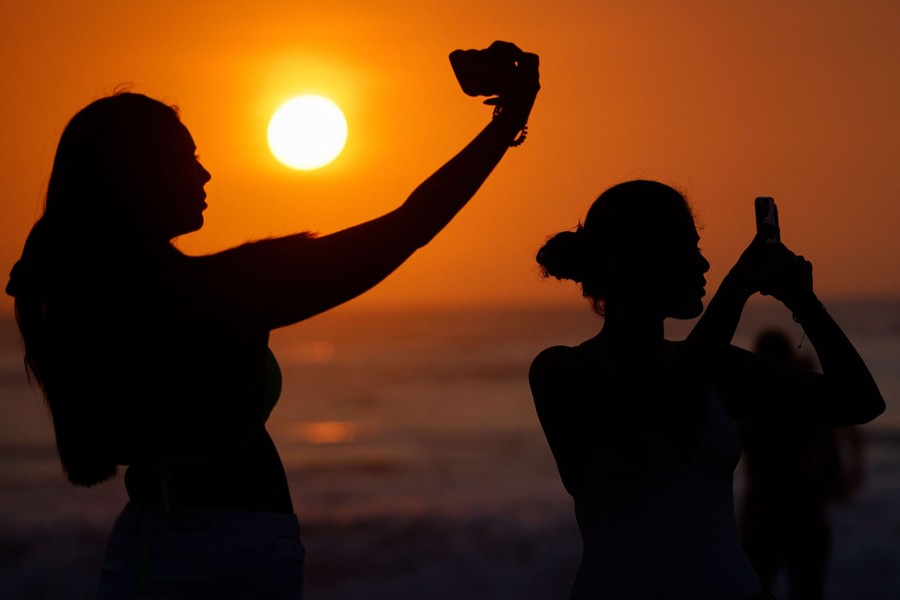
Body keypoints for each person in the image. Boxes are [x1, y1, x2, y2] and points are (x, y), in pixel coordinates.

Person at [5, 42, 539, 599]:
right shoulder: (213, 293)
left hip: (145, 545)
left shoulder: (79, 299)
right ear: (141, 177)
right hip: (225, 555)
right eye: (187, 157)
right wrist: (509, 120)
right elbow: (409, 226)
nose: (206, 173)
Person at [528, 180, 884, 599]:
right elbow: (670, 414)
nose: (703, 264)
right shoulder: (564, 370)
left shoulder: (716, 367)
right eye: (687, 248)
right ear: (640, 259)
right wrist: (737, 286)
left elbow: (858, 400)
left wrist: (803, 301)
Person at [738, 328, 865, 599]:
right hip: (804, 517)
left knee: (754, 590)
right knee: (807, 591)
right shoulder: (805, 405)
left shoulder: (749, 405)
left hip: (762, 516)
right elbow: (848, 424)